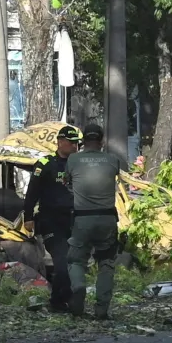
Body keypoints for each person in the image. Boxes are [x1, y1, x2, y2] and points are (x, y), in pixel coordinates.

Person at [66, 123, 122, 320]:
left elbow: (67, 182)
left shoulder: (73, 159)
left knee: (75, 260)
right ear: (102, 141)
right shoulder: (113, 160)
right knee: (106, 263)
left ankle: (79, 287)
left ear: (83, 141)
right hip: (107, 218)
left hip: (82, 219)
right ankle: (101, 310)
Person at [23, 125, 82, 312]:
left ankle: (69, 300)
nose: (75, 147)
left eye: (77, 143)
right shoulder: (45, 164)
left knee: (75, 263)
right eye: (71, 143)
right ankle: (57, 302)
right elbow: (31, 193)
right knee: (62, 263)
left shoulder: (79, 164)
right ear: (60, 142)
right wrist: (28, 217)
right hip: (51, 222)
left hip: (75, 221)